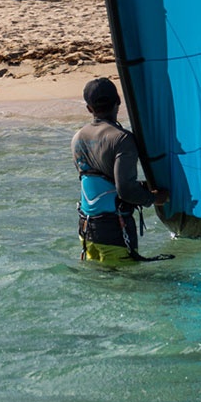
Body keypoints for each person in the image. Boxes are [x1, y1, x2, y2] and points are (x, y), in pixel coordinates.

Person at [72, 77, 169, 264]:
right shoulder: (121, 139)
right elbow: (124, 190)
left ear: (89, 109)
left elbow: (100, 181)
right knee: (127, 286)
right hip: (114, 232)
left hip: (86, 230)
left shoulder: (77, 138)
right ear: (118, 101)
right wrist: (156, 198)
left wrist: (142, 187)